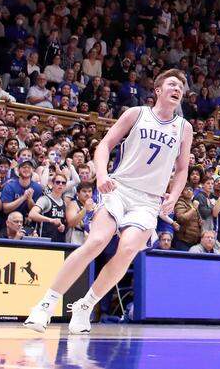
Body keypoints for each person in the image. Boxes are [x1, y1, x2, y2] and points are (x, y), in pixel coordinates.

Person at [24, 69, 193, 335]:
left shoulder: (185, 128)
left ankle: (85, 306)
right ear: (158, 90)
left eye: (181, 87)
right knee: (96, 241)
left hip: (148, 199)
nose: (178, 89)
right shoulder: (136, 114)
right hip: (120, 187)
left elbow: (182, 169)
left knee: (127, 251)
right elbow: (104, 145)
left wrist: (174, 194)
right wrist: (101, 175)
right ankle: (45, 304)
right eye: (172, 84)